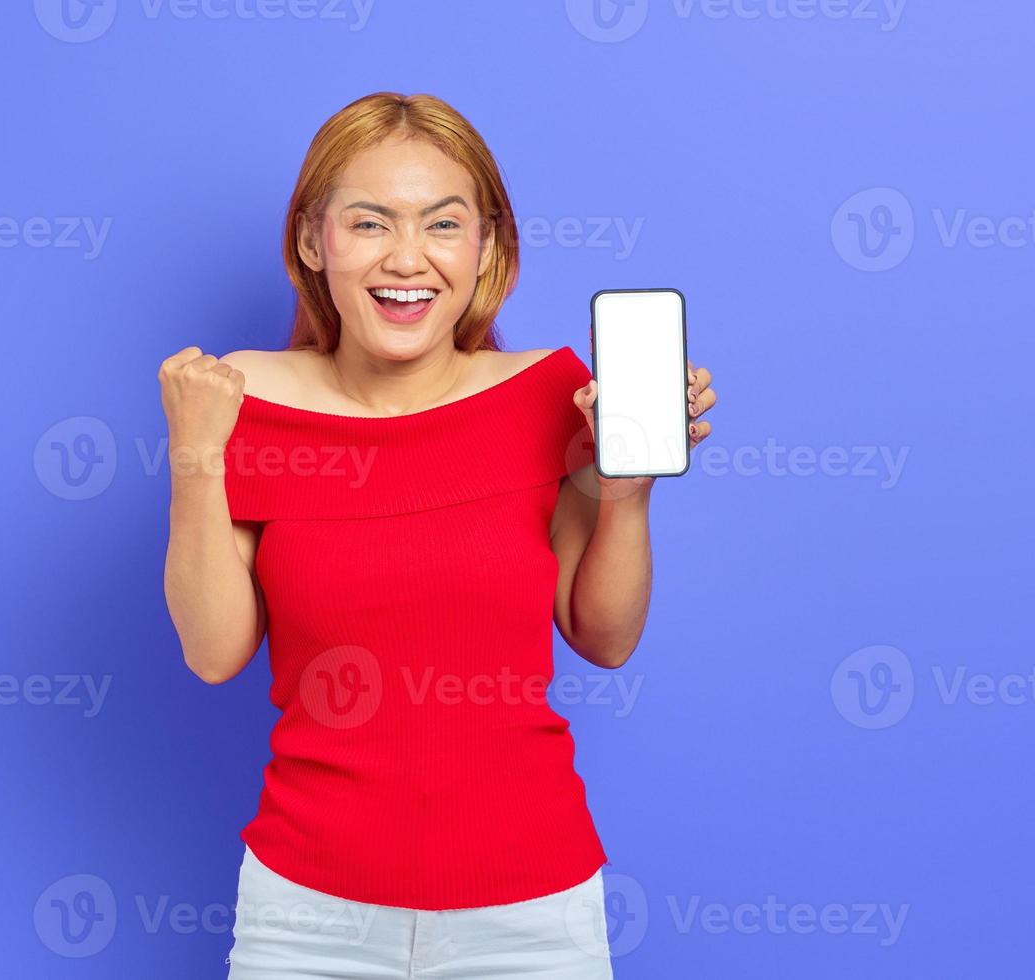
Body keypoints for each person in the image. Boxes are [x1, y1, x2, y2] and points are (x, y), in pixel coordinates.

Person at [159, 91, 717, 978]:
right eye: (371, 223)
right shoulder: (240, 402)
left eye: (443, 224)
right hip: (308, 919)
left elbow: (604, 639)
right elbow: (215, 650)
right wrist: (194, 456)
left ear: (486, 244)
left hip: (533, 917)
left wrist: (630, 492)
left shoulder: (547, 396)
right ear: (314, 240)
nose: (407, 259)